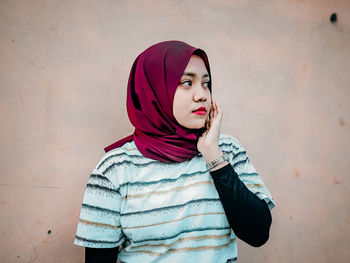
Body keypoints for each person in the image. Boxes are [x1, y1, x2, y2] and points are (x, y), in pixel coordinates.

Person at [74, 40, 275, 263]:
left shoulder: (226, 150)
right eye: (187, 82)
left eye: (206, 84)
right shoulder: (116, 169)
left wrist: (213, 155)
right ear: (155, 90)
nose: (202, 95)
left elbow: (257, 234)